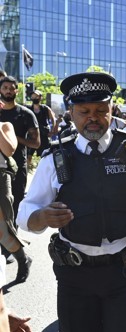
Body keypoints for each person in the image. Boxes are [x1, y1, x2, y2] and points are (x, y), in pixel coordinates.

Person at [16, 72, 126, 332]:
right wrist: (42, 217)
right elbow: (26, 213)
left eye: (100, 110)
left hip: (125, 272)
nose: (92, 117)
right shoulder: (55, 157)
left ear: (112, 109)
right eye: (84, 111)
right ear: (71, 112)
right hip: (75, 276)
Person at [0, 76, 40, 220]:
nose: (8, 91)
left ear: (17, 91)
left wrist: (12, 139)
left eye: (11, 88)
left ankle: (13, 237)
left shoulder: (26, 114)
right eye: (5, 88)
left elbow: (36, 143)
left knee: (15, 203)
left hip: (17, 166)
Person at [0, 119, 32, 283]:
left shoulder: (5, 126)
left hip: (1, 176)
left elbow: (9, 150)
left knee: (3, 231)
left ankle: (23, 259)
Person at [27, 90, 56, 169]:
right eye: (32, 96)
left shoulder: (45, 108)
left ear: (40, 97)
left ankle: (43, 170)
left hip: (43, 135)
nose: (34, 97)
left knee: (44, 155)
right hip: (31, 136)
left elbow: (53, 119)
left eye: (36, 96)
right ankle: (27, 171)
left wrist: (52, 130)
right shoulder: (28, 108)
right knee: (28, 155)